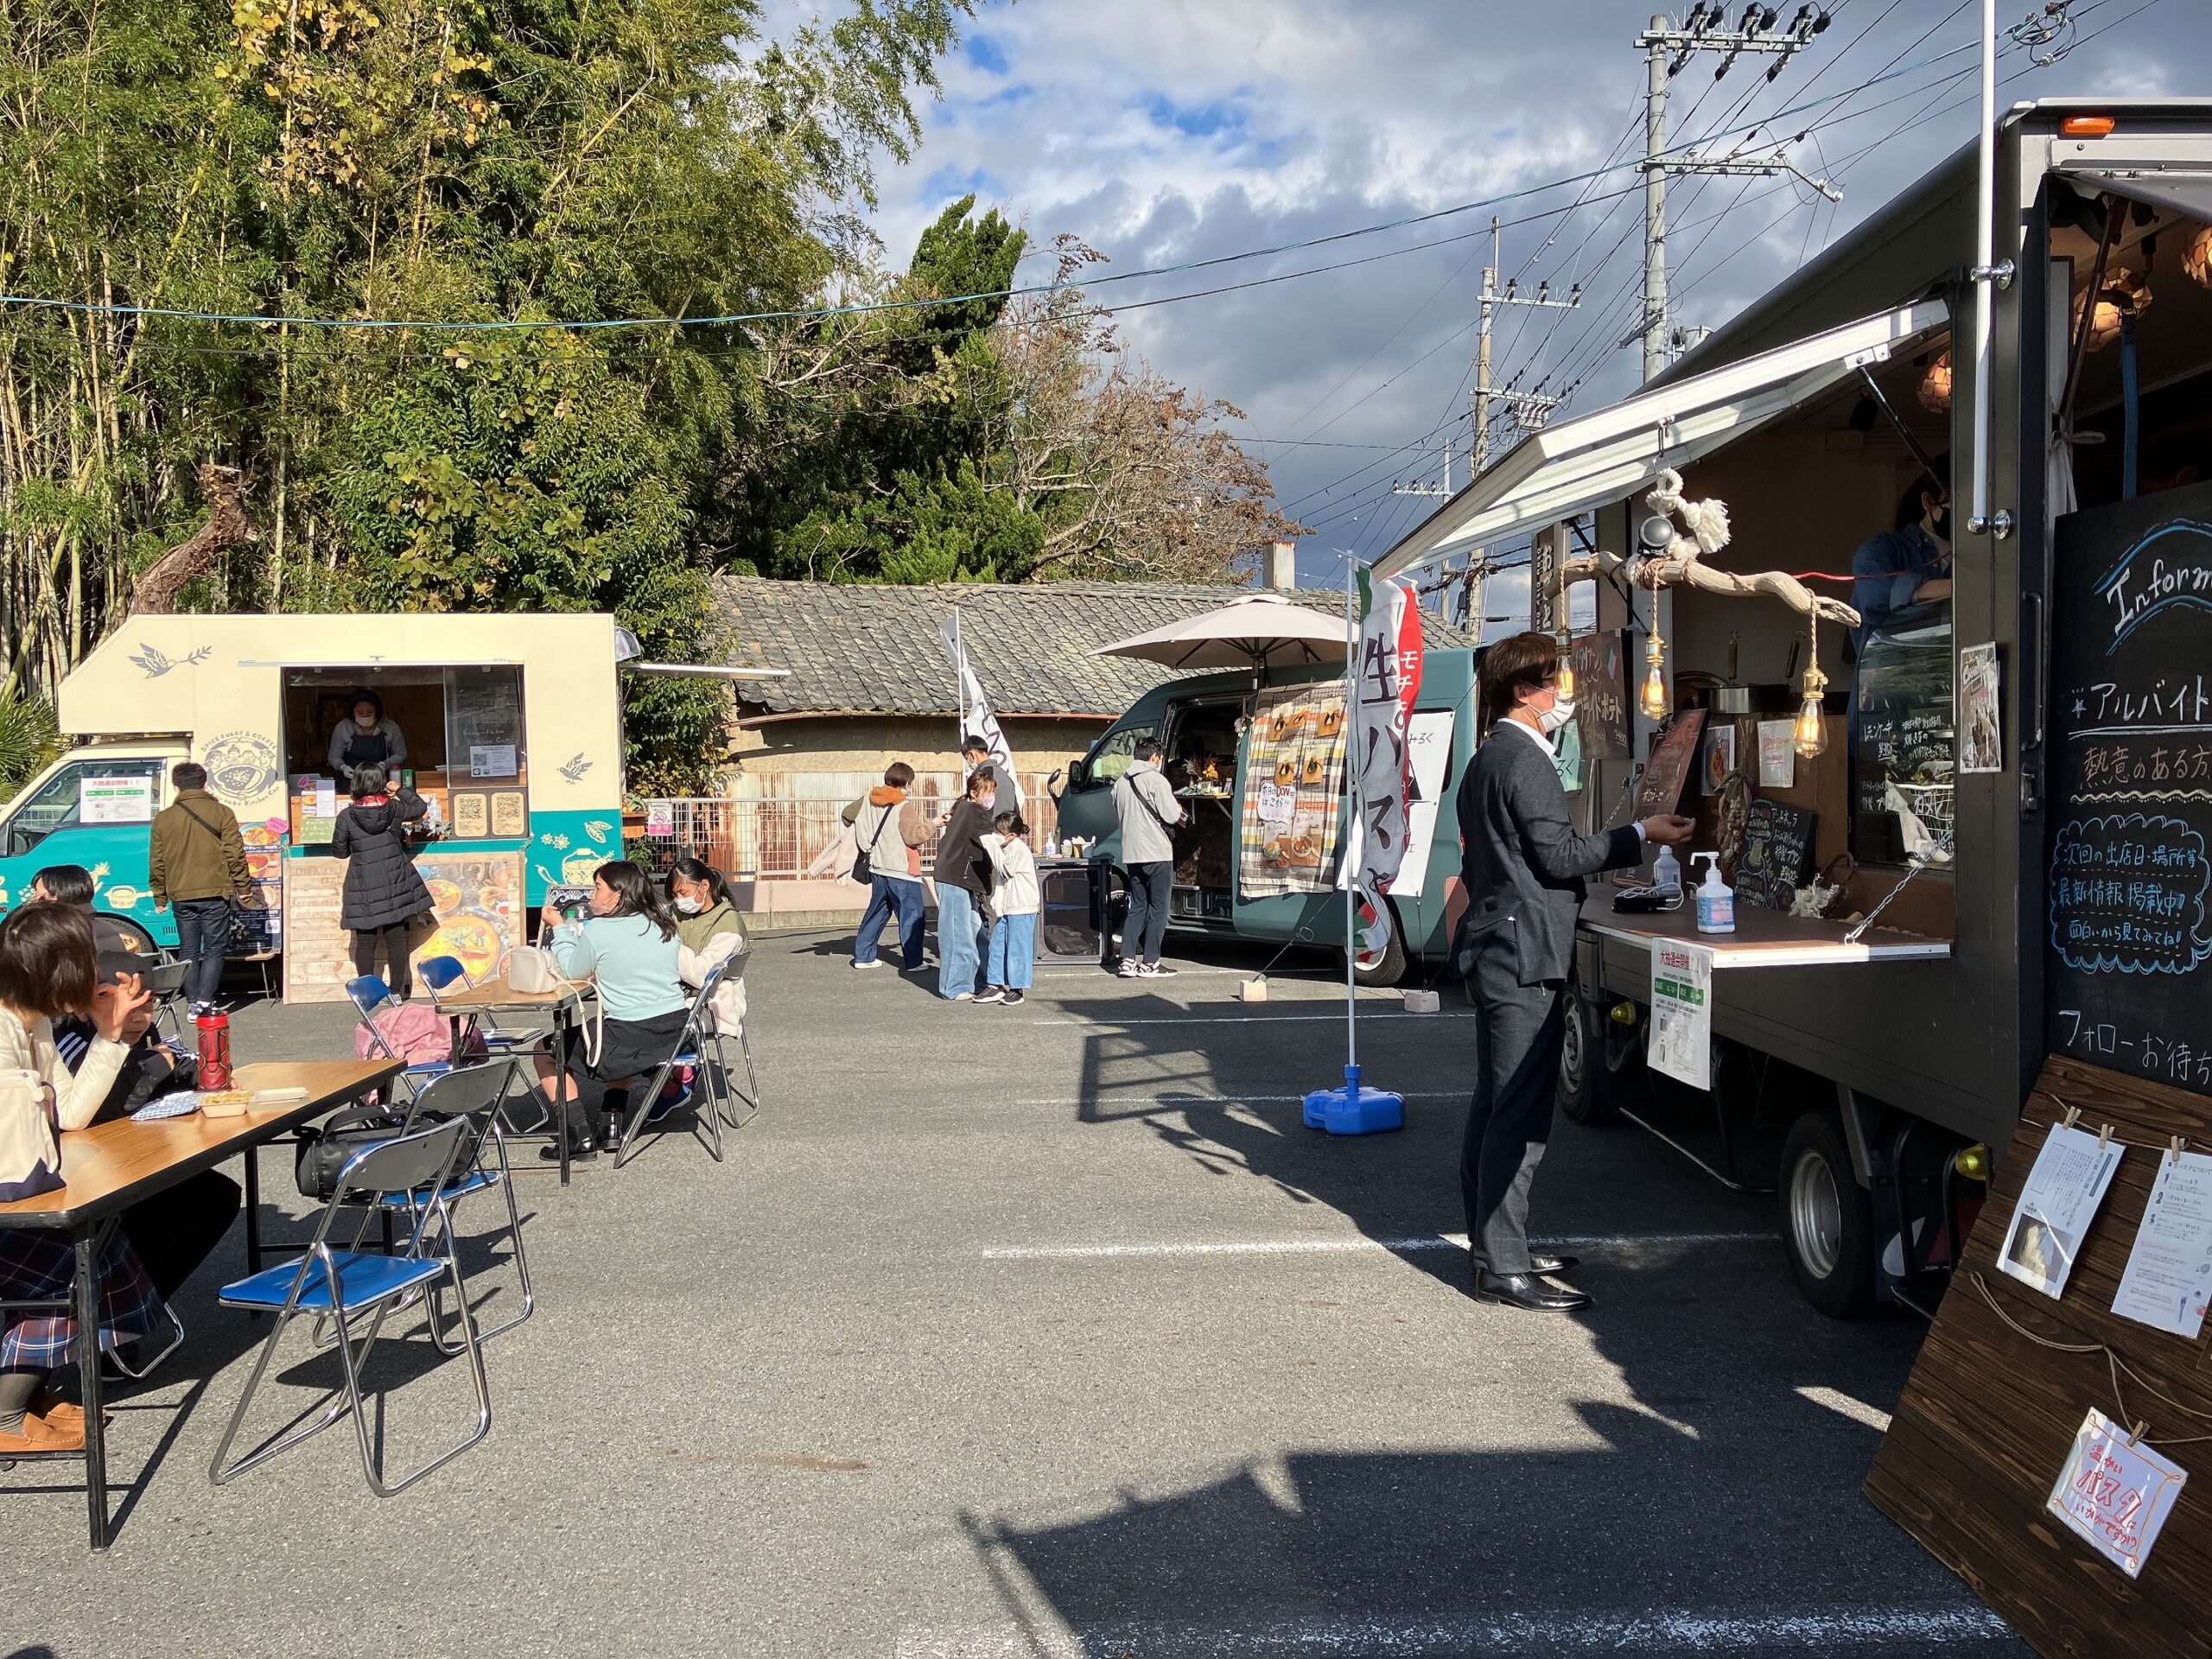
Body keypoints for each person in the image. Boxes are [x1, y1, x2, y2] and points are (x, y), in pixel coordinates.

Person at [1456, 632, 1694, 1314]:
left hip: (1499, 943)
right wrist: (1643, 832)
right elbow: (1560, 857)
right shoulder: (1522, 759)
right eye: (1556, 681)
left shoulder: (1488, 757)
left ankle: (1492, 1244)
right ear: (1525, 690)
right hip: (1522, 951)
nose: (1565, 694)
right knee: (1519, 1116)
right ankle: (1501, 1264)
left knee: (1494, 1105)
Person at [0, 905, 163, 1454]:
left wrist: (111, 1036)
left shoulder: (33, 1020)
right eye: (84, 961)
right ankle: (4, 1414)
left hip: (24, 1189)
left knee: (101, 1236)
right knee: (76, 1256)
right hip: (11, 1195)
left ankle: (29, 1391)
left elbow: (70, 1113)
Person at [532, 861, 687, 1160]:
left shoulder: (601, 929)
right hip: (670, 1033)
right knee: (608, 1028)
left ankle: (577, 1135)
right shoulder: (664, 922)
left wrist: (560, 929)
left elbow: (574, 969)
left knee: (544, 1050)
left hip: (625, 1037)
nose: (593, 893)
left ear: (617, 895)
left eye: (598, 887)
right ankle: (611, 1124)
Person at [148, 761, 252, 1014]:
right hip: (216, 892)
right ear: (204, 783)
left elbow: (157, 860)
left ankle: (193, 1003)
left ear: (176, 785)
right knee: (215, 949)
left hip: (181, 894)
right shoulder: (222, 812)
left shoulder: (163, 819)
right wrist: (243, 886)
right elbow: (235, 853)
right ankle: (206, 1001)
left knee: (188, 949)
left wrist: (160, 895)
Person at [328, 763, 432, 1001]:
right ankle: (396, 992)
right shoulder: (394, 808)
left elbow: (340, 852)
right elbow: (419, 807)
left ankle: (366, 993)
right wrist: (400, 789)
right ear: (380, 783)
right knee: (396, 938)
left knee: (365, 940)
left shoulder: (346, 815)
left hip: (362, 883)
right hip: (394, 880)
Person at [1850, 462, 1953, 658]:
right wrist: (1964, 588)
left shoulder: (1981, 558)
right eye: (1956, 500)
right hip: (1889, 680)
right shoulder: (1881, 549)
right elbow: (1876, 597)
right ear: (1929, 502)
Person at [843, 764, 930, 972]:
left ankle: (864, 956)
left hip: (877, 867)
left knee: (877, 912)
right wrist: (932, 824)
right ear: (907, 783)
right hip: (901, 869)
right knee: (912, 916)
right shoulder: (903, 805)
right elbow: (913, 837)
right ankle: (914, 961)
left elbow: (847, 815)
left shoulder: (868, 797)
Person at [1111, 737, 1184, 979]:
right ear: (1154, 757)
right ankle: (1150, 962)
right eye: (1160, 758)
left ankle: (1127, 960)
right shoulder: (1156, 780)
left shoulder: (1120, 784)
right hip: (1157, 852)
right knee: (1158, 908)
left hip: (1132, 853)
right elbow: (1172, 816)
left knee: (1137, 907)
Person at [934, 766, 999, 1001]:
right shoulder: (975, 811)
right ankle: (955, 986)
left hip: (954, 877)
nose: (991, 795)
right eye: (987, 791)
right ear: (974, 792)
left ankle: (978, 980)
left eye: (993, 791)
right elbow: (990, 842)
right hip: (955, 878)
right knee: (958, 934)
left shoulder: (962, 809)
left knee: (973, 930)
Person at [671, 855, 750, 1034]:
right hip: (682, 995)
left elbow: (703, 975)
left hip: (716, 1003)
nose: (678, 900)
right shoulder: (677, 914)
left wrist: (667, 944)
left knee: (648, 1025)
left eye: (683, 893)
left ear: (704, 886)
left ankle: (680, 1061)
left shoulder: (728, 924)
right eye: (675, 895)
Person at [977, 812, 1039, 1007]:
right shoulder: (1008, 847)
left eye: (1000, 832)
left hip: (1022, 906)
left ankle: (1017, 989)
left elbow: (1004, 870)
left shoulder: (1018, 848)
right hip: (1007, 907)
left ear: (1011, 834)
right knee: (997, 945)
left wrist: (991, 846)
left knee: (1017, 948)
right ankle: (995, 984)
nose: (996, 835)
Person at [30, 864, 138, 956]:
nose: (34, 898)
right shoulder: (107, 927)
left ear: (54, 896)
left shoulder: (57, 935)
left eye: (36, 891)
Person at [327, 689, 410, 789]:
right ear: (352, 712)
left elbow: (401, 753)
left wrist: (384, 765)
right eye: (360, 713)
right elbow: (334, 756)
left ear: (377, 711)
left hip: (381, 782)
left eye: (370, 712)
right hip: (351, 783)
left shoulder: (390, 727)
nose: (365, 716)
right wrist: (342, 767)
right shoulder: (344, 728)